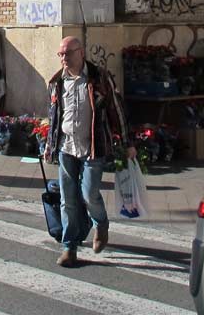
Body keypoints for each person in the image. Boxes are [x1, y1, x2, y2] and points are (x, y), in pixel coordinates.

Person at [44, 36, 134, 268]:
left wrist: (127, 142)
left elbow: (116, 109)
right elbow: (54, 117)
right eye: (61, 54)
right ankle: (70, 247)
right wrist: (48, 145)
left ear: (81, 52)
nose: (64, 58)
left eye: (68, 53)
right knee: (67, 200)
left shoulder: (99, 78)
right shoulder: (57, 82)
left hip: (93, 146)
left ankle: (100, 224)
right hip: (66, 146)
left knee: (88, 194)